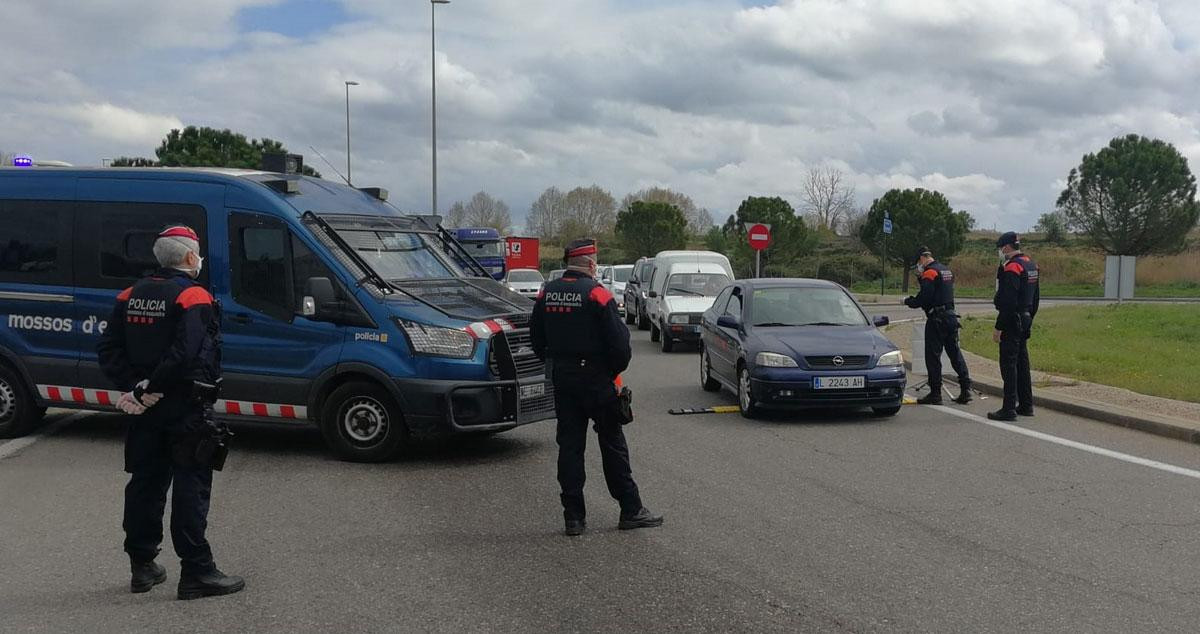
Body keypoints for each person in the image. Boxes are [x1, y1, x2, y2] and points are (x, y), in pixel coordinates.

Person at [97, 226, 244, 600]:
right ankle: (197, 571)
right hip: (186, 406)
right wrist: (153, 386)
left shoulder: (129, 294)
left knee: (146, 483)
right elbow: (187, 353)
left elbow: (108, 350)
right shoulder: (194, 295)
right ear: (191, 258)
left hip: (146, 409)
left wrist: (137, 387)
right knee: (190, 486)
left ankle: (142, 566)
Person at [530, 238, 663, 537]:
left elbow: (536, 338)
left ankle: (573, 518)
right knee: (612, 443)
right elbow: (620, 346)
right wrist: (610, 372)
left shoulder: (546, 293)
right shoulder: (597, 294)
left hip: (563, 380)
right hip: (597, 380)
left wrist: (557, 362)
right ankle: (631, 509)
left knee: (570, 447)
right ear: (590, 264)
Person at [904, 246, 972, 405]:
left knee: (933, 357)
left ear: (921, 258)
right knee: (955, 354)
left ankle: (935, 393)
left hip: (936, 319)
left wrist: (908, 301)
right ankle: (966, 389)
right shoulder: (946, 271)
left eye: (917, 264)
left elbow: (924, 299)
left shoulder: (929, 273)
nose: (918, 267)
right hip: (950, 317)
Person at [989, 231, 1040, 421]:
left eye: (1000, 248)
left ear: (1006, 247)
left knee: (1009, 365)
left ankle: (1008, 408)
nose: (1000, 252)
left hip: (1011, 321)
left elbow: (1008, 302)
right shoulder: (1031, 264)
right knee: (1022, 364)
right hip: (1025, 318)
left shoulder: (1012, 268)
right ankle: (1026, 405)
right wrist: (1029, 319)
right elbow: (1035, 298)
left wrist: (998, 327)